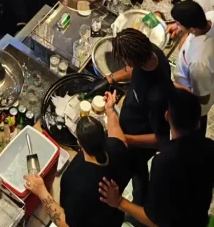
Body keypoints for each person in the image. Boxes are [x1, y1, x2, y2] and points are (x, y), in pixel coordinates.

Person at [98, 90, 214, 227]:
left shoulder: (164, 162)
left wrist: (118, 201)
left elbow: (154, 221)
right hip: (198, 219)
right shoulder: (210, 147)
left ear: (166, 116)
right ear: (198, 122)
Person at [24, 91, 131, 227]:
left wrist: (41, 191)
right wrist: (110, 111)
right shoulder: (117, 148)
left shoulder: (76, 180)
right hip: (113, 219)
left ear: (79, 143)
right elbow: (119, 136)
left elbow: (66, 223)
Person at [105, 28, 174, 204]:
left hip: (138, 146)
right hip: (129, 128)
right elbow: (131, 71)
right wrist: (110, 79)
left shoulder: (157, 95)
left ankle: (140, 204)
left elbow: (162, 138)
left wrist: (126, 139)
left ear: (132, 60)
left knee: (137, 173)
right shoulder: (150, 52)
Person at [171, 0, 214, 132]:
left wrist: (175, 86)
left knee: (192, 130)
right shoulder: (210, 17)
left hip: (192, 105)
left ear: (193, 29)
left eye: (178, 24)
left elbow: (202, 98)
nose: (177, 27)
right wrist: (187, 37)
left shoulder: (199, 63)